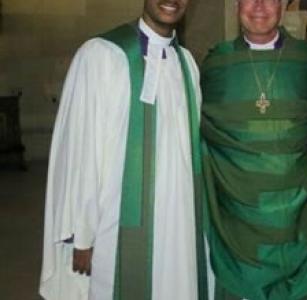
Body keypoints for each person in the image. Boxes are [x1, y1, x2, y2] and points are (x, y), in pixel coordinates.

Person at [39, 0, 208, 299]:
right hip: (115, 228)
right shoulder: (101, 55)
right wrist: (82, 233)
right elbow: (81, 150)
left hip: (179, 227)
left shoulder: (187, 64)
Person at [201, 0, 307, 299]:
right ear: (236, 5)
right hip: (237, 221)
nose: (259, 5)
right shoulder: (216, 65)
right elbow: (199, 137)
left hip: (299, 216)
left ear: (284, 4)